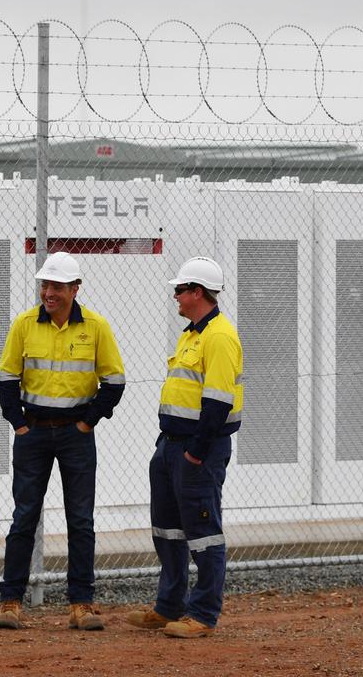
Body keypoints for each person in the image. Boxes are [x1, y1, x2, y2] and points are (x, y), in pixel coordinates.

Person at [0, 251, 126, 631]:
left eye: (56, 286)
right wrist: (18, 424)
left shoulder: (96, 327)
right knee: (24, 517)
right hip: (32, 433)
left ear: (75, 289)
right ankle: (10, 602)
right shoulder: (24, 324)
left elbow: (114, 381)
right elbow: (5, 379)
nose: (48, 293)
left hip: (75, 437)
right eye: (45, 285)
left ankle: (81, 603)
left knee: (80, 520)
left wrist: (87, 423)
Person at [126, 256, 244, 639]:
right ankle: (169, 607)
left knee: (203, 533)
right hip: (171, 446)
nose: (175, 296)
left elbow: (218, 402)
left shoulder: (220, 336)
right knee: (168, 530)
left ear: (197, 293)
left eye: (180, 290)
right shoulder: (192, 333)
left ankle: (204, 614)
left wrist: (196, 451)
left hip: (198, 450)